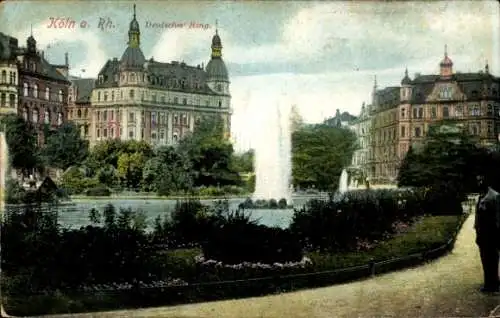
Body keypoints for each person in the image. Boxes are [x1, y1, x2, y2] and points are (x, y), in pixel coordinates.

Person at [475, 175, 500, 293]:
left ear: (486, 181)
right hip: (482, 234)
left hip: (492, 233)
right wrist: (477, 231)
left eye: (481, 180)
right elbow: (477, 216)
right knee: (485, 259)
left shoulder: (495, 196)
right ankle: (488, 282)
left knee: (492, 259)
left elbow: (498, 218)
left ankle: (493, 284)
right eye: (478, 180)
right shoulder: (481, 196)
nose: (479, 182)